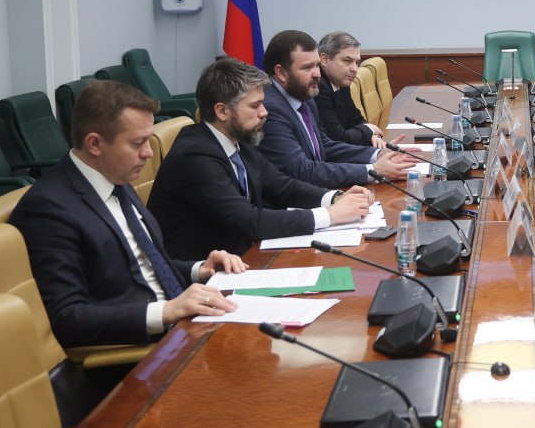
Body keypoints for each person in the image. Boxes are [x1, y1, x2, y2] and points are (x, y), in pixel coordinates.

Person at [9, 80, 245, 348]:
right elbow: (68, 318)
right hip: (140, 350)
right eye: (137, 143)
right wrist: (167, 311)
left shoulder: (114, 177)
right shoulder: (48, 209)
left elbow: (143, 266)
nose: (148, 153)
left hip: (183, 327)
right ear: (95, 143)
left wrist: (199, 269)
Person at [149, 58, 375, 260]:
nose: (264, 112)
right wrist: (330, 215)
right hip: (205, 274)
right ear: (222, 111)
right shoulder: (195, 156)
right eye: (255, 105)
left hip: (244, 257)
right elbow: (248, 220)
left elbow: (282, 187)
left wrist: (334, 198)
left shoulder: (239, 140)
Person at [257, 29, 417, 187]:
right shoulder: (270, 110)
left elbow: (324, 146)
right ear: (281, 73)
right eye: (307, 67)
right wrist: (373, 170)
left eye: (316, 66)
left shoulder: (305, 96)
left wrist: (377, 154)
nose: (317, 74)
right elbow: (301, 170)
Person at [315, 31, 384, 147]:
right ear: (324, 59)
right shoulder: (318, 87)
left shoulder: (341, 82)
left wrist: (372, 136)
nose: (354, 69)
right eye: (347, 61)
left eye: (357, 62)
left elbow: (356, 119)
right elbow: (338, 137)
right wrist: (369, 131)